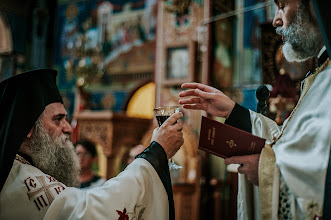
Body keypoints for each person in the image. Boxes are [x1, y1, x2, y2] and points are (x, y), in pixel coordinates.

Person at [179, 0, 330, 219]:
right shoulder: (321, 76)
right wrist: (235, 113)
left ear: (316, 7)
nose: (276, 20)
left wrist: (266, 169)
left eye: (283, 5)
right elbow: (285, 143)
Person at [0, 69, 184, 219]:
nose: (68, 128)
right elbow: (87, 213)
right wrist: (154, 154)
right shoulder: (18, 180)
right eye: (58, 119)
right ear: (28, 129)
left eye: (66, 118)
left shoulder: (21, 170)